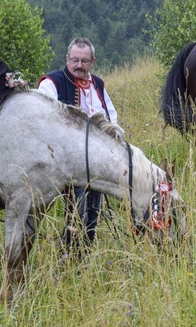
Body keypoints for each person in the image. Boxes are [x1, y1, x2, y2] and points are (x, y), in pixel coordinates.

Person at [37, 37, 120, 250]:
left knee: (94, 209)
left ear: (92, 61)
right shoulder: (52, 83)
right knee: (78, 208)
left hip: (97, 158)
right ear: (67, 58)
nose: (79, 65)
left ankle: (84, 251)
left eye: (84, 61)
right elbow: (43, 120)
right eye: (75, 60)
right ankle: (71, 252)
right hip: (68, 161)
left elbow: (111, 115)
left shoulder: (98, 84)